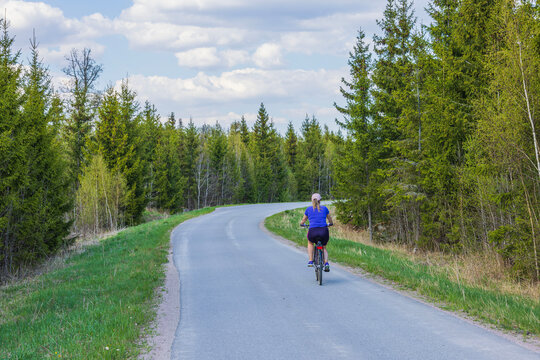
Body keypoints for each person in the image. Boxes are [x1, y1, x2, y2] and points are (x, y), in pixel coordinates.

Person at [300, 193, 333, 272]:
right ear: (320, 200)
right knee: (324, 247)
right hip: (323, 231)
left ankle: (311, 260)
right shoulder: (325, 208)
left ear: (312, 200)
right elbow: (330, 219)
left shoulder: (308, 209)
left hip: (313, 231)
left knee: (310, 243)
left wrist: (302, 224)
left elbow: (303, 220)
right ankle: (326, 263)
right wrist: (330, 223)